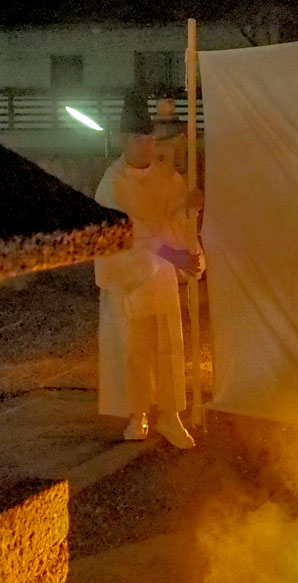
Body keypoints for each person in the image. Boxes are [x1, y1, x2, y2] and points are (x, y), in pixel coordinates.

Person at [94, 89, 203, 449]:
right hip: (131, 281)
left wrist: (191, 210)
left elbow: (174, 221)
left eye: (148, 139)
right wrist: (175, 255)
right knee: (134, 347)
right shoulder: (113, 185)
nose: (144, 147)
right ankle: (137, 413)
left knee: (169, 346)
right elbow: (130, 235)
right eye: (137, 140)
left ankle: (170, 415)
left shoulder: (167, 178)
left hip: (161, 279)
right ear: (124, 140)